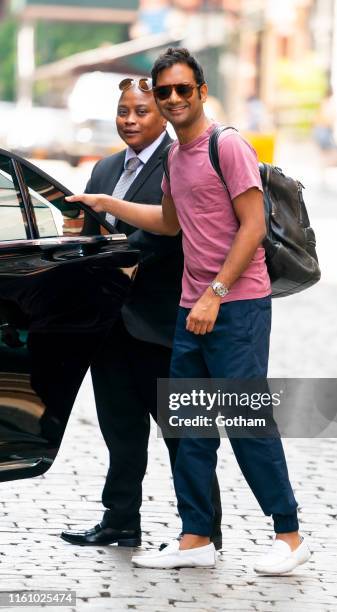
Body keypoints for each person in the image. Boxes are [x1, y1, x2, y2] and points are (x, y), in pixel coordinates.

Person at [66, 48, 310, 575]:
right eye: (164, 91)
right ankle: (196, 538)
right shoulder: (177, 156)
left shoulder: (229, 146)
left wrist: (214, 293)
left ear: (200, 92)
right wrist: (106, 205)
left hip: (235, 307)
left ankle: (288, 536)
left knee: (246, 422)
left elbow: (253, 228)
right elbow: (168, 223)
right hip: (190, 310)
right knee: (191, 427)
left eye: (182, 89)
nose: (173, 98)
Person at [61, 76, 222, 550]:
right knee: (120, 430)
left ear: (164, 115)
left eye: (141, 111)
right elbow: (90, 233)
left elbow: (165, 234)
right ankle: (120, 521)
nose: (130, 120)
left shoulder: (181, 162)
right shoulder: (105, 168)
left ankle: (203, 530)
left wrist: (107, 257)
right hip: (109, 326)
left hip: (164, 324)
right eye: (123, 111)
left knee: (183, 436)